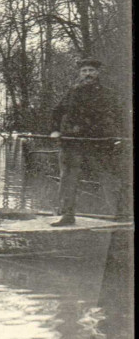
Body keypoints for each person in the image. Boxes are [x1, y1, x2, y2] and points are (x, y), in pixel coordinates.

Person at [49, 58, 130, 226]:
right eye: (84, 71)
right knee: (68, 179)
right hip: (73, 142)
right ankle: (67, 215)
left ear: (97, 73)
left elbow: (121, 116)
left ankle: (121, 216)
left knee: (109, 178)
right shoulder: (72, 92)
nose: (88, 74)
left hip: (100, 143)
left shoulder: (108, 93)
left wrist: (121, 136)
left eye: (91, 71)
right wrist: (55, 130)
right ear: (80, 74)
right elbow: (57, 112)